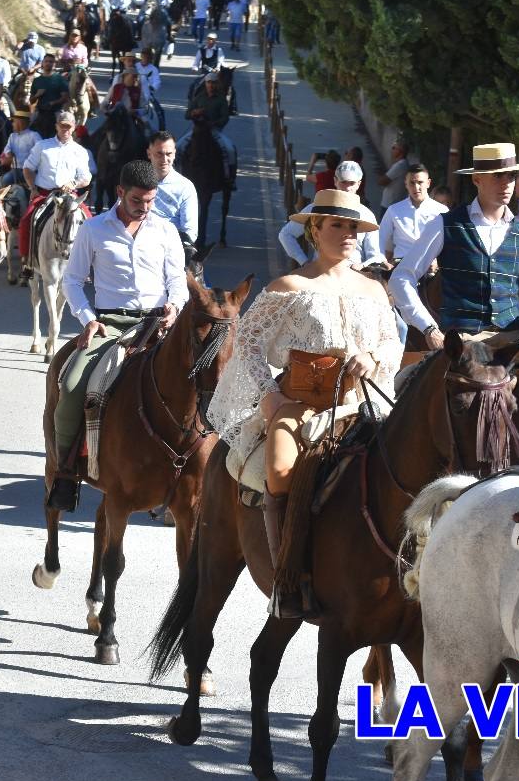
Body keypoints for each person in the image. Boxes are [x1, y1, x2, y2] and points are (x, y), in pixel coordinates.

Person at [208, 188, 402, 617]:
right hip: (300, 403)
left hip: (361, 404)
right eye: (338, 225)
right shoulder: (289, 287)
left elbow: (392, 343)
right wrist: (271, 398)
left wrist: (373, 357)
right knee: (278, 470)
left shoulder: (373, 290)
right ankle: (286, 578)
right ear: (315, 230)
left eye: (354, 227)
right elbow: (249, 347)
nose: (348, 234)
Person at [46, 159, 187, 510]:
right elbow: (73, 281)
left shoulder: (166, 230)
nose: (144, 207)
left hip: (159, 323)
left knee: (202, 379)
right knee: (75, 383)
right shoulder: (94, 230)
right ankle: (65, 471)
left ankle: (200, 470)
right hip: (110, 324)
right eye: (138, 200)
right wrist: (88, 319)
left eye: (150, 200)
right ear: (121, 193)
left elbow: (178, 280)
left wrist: (175, 305)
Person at [390, 142, 519, 348]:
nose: (506, 184)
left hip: (511, 344)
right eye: (497, 176)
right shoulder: (444, 224)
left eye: (511, 176)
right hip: (460, 346)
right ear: (477, 179)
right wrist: (428, 327)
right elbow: (401, 277)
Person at [18, 111, 93, 265]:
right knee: (27, 220)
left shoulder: (80, 151)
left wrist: (73, 184)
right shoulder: (42, 146)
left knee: (89, 222)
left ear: (74, 128)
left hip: (69, 195)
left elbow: (86, 178)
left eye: (68, 126)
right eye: (62, 125)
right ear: (56, 126)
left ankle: (87, 263)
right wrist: (32, 188)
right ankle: (27, 261)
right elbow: (28, 168)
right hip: (45, 194)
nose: (65, 129)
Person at [279, 161, 383, 268]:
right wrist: (304, 262)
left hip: (354, 276)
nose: (347, 188)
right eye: (343, 182)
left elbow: (375, 255)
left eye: (351, 183)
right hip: (320, 275)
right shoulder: (318, 208)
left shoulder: (367, 215)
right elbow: (286, 234)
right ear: (335, 181)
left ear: (358, 184)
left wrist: (361, 266)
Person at [378, 162, 448, 263]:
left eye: (420, 182)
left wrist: (437, 262)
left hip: (429, 266)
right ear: (406, 184)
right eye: (412, 183)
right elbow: (380, 239)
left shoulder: (442, 211)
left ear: (428, 183)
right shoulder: (394, 210)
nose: (416, 187)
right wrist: (383, 260)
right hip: (400, 264)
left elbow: (449, 243)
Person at [179, 71, 237, 186]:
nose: (211, 85)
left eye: (213, 83)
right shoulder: (199, 97)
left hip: (214, 131)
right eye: (208, 82)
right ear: (205, 84)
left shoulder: (221, 99)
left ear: (217, 84)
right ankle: (177, 173)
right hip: (197, 129)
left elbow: (225, 118)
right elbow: (187, 114)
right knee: (179, 146)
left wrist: (214, 123)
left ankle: (228, 177)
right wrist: (194, 112)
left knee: (229, 149)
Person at [147, 131, 198, 246]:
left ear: (175, 154)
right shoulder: (135, 182)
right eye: (159, 154)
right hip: (136, 247)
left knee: (227, 148)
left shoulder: (185, 187)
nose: (164, 159)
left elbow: (190, 231)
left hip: (170, 249)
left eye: (169, 154)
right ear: (149, 153)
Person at [0, 109, 41, 187]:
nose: (12, 124)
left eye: (14, 122)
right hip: (15, 170)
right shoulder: (12, 136)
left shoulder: (34, 135)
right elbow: (7, 148)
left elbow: (41, 149)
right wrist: (8, 152)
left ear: (20, 123)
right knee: (5, 180)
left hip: (30, 170)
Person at [29, 52, 72, 124]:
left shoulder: (60, 79)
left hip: (56, 112)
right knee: (29, 127)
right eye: (46, 61)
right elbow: (31, 101)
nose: (48, 63)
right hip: (40, 111)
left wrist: (52, 103)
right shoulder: (37, 80)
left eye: (51, 62)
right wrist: (37, 95)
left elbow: (65, 98)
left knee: (61, 128)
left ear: (54, 64)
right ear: (42, 63)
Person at [377, 138, 408, 216]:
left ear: (400, 151)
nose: (392, 150)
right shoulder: (402, 164)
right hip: (394, 204)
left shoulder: (400, 165)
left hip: (390, 204)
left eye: (394, 148)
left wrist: (380, 175)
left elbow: (382, 181)